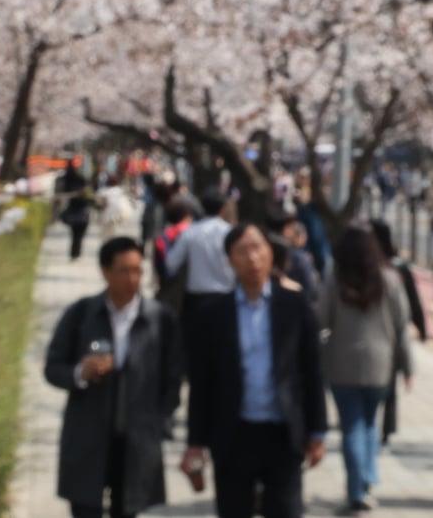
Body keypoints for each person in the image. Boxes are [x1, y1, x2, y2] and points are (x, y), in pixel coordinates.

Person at [184, 224, 327, 518]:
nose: (252, 258)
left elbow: (311, 370)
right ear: (229, 260)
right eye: (242, 251)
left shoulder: (294, 305)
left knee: (286, 510)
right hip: (233, 432)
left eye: (258, 248)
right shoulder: (213, 314)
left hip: (283, 432)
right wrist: (195, 442)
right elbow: (202, 383)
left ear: (271, 253)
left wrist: (317, 431)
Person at [44, 237, 181, 518]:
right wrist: (80, 372)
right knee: (84, 508)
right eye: (124, 270)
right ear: (105, 272)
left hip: (136, 439)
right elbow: (53, 367)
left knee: (129, 508)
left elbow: (173, 377)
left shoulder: (159, 319)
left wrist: (161, 422)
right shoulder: (82, 314)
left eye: (137, 270)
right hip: (88, 436)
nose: (132, 279)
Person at [317, 226, 413, 513]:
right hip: (381, 364)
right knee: (371, 422)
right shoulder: (391, 280)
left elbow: (321, 319)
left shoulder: (335, 281)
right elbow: (402, 326)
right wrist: (408, 366)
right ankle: (368, 478)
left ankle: (356, 488)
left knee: (352, 427)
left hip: (342, 364)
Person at [370, 220, 427, 446]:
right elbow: (413, 301)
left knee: (389, 381)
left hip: (388, 330)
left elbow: (412, 299)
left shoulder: (393, 267)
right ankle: (385, 428)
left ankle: (384, 427)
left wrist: (421, 327)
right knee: (389, 382)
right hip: (391, 332)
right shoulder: (390, 266)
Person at [165, 189, 235, 336]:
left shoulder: (190, 232)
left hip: (196, 301)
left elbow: (171, 264)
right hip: (226, 298)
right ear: (223, 208)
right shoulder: (230, 232)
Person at [59, 160, 96, 261]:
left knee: (75, 235)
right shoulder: (83, 182)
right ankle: (76, 253)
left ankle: (74, 253)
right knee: (79, 235)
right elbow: (91, 199)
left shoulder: (67, 181)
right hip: (82, 213)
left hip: (75, 212)